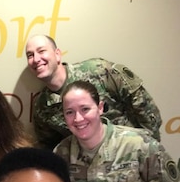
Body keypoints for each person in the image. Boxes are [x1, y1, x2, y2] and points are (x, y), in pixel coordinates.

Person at [25, 34, 162, 149]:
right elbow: (51, 148)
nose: (36, 59)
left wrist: (148, 151)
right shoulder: (43, 108)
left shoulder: (98, 70)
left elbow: (145, 108)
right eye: (30, 55)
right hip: (92, 172)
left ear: (57, 54)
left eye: (42, 51)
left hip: (130, 156)